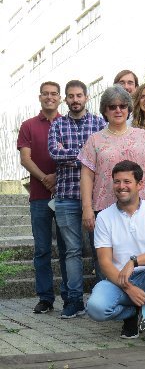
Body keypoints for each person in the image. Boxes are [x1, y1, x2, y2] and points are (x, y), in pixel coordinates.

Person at [86, 160, 145, 349]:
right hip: (119, 281)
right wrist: (129, 288)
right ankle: (132, 313)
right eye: (117, 181)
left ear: (140, 184)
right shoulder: (104, 217)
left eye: (127, 181)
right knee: (96, 308)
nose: (121, 186)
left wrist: (134, 262)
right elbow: (105, 263)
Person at [48, 80, 106, 319]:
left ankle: (105, 296)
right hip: (65, 197)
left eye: (79, 95)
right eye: (70, 96)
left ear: (86, 97)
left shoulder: (99, 123)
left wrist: (73, 155)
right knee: (71, 252)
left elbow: (103, 155)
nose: (75, 100)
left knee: (100, 250)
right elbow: (54, 153)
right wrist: (86, 154)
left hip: (97, 199)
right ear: (66, 99)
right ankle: (74, 301)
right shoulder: (57, 124)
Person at [79, 85, 145, 236]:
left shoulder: (143, 136)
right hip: (106, 208)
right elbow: (87, 175)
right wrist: (87, 207)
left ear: (129, 109)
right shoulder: (94, 140)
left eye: (123, 106)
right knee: (107, 256)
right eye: (112, 107)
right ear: (105, 111)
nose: (118, 110)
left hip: (143, 207)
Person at [17, 81, 68, 314]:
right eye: (45, 94)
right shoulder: (28, 126)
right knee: (42, 249)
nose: (50, 97)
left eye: (54, 94)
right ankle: (45, 298)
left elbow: (78, 155)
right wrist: (46, 178)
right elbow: (25, 159)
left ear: (60, 98)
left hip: (67, 193)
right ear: (40, 98)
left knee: (69, 248)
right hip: (39, 196)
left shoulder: (68, 123)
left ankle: (70, 296)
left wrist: (57, 176)